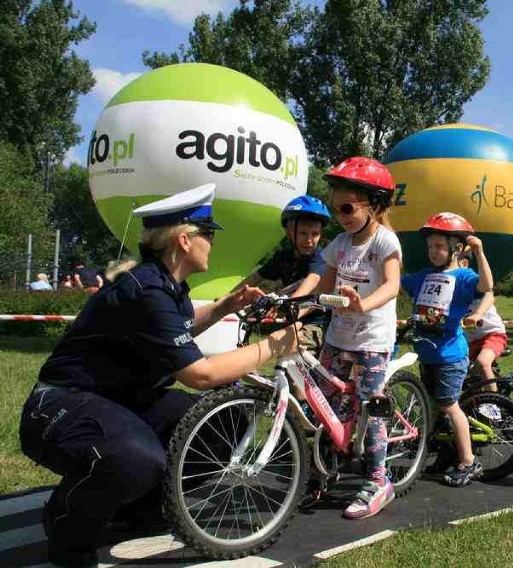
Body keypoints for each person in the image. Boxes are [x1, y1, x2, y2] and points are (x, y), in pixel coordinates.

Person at [18, 184, 301, 567]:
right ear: (184, 240)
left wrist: (223, 307)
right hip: (63, 402)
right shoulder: (147, 290)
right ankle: (66, 527)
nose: (213, 243)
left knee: (227, 421)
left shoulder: (167, 285)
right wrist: (272, 347)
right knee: (136, 459)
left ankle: (135, 508)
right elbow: (200, 375)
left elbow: (176, 330)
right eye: (209, 235)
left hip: (123, 398)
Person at [314, 157, 402, 519]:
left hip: (371, 340)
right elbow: (320, 286)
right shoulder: (339, 243)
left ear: (374, 205)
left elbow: (393, 285)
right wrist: (285, 302)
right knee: (325, 402)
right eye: (336, 209)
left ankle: (379, 479)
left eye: (348, 207)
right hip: (338, 336)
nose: (341, 215)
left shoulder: (384, 240)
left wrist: (363, 303)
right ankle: (326, 468)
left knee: (372, 408)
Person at [401, 212, 495, 488]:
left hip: (450, 356)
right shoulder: (424, 276)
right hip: (427, 354)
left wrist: (479, 252)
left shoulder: (463, 276)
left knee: (449, 406)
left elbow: (487, 287)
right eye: (431, 246)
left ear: (457, 248)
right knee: (432, 406)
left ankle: (468, 460)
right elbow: (395, 282)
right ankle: (442, 453)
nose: (433, 251)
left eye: (440, 246)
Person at [233, 194, 331, 298]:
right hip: (289, 309)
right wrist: (227, 299)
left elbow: (313, 279)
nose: (309, 240)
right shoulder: (283, 257)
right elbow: (255, 278)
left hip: (316, 311)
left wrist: (289, 304)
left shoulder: (322, 258)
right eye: (303, 233)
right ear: (289, 233)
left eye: (315, 234)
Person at [458, 254, 507, 393]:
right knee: (471, 375)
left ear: (464, 263)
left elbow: (489, 294)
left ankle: (494, 402)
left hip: (493, 334)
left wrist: (478, 314)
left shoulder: (473, 281)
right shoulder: (453, 288)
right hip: (472, 340)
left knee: (482, 363)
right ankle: (478, 402)